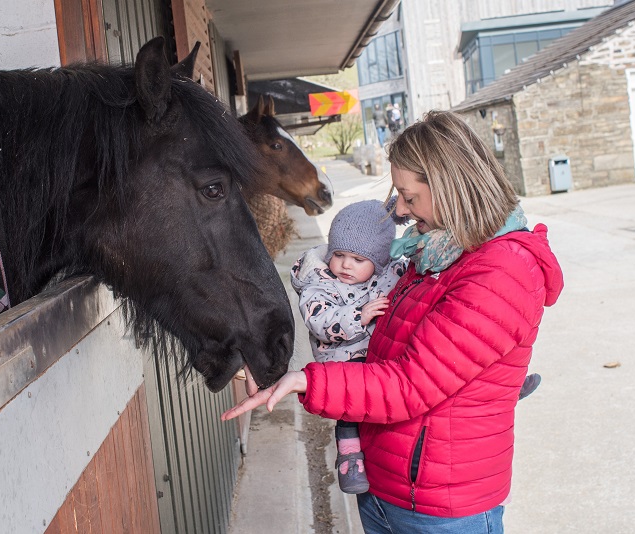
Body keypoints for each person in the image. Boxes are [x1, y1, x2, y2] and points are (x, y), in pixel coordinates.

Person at [223, 110, 564, 533]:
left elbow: (410, 385)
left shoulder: (499, 272)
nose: (400, 209)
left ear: (449, 187)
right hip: (388, 489)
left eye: (409, 196)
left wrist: (306, 381)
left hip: (438, 511)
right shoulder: (434, 254)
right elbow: (375, 344)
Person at [290, 199, 407, 494]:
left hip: (380, 354)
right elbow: (320, 322)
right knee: (350, 403)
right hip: (342, 359)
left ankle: (484, 380)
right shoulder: (318, 282)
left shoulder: (389, 273)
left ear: (378, 261)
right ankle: (349, 456)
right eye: (339, 254)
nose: (345, 265)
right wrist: (359, 315)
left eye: (358, 259)